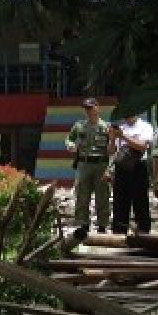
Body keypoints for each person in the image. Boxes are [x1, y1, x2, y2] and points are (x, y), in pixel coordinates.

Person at [65, 97, 112, 235]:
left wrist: (110, 168)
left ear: (98, 108)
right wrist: (70, 145)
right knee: (81, 195)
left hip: (101, 164)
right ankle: (83, 224)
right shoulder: (79, 126)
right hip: (84, 164)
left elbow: (113, 148)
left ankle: (102, 225)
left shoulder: (107, 127)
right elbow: (69, 138)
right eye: (86, 108)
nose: (89, 110)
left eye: (91, 107)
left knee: (102, 195)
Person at [109, 113, 155, 234]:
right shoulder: (121, 127)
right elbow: (111, 151)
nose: (127, 115)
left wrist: (123, 136)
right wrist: (113, 138)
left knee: (140, 201)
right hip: (121, 168)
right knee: (120, 203)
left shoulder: (145, 126)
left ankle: (143, 233)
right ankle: (119, 233)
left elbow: (142, 146)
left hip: (138, 168)